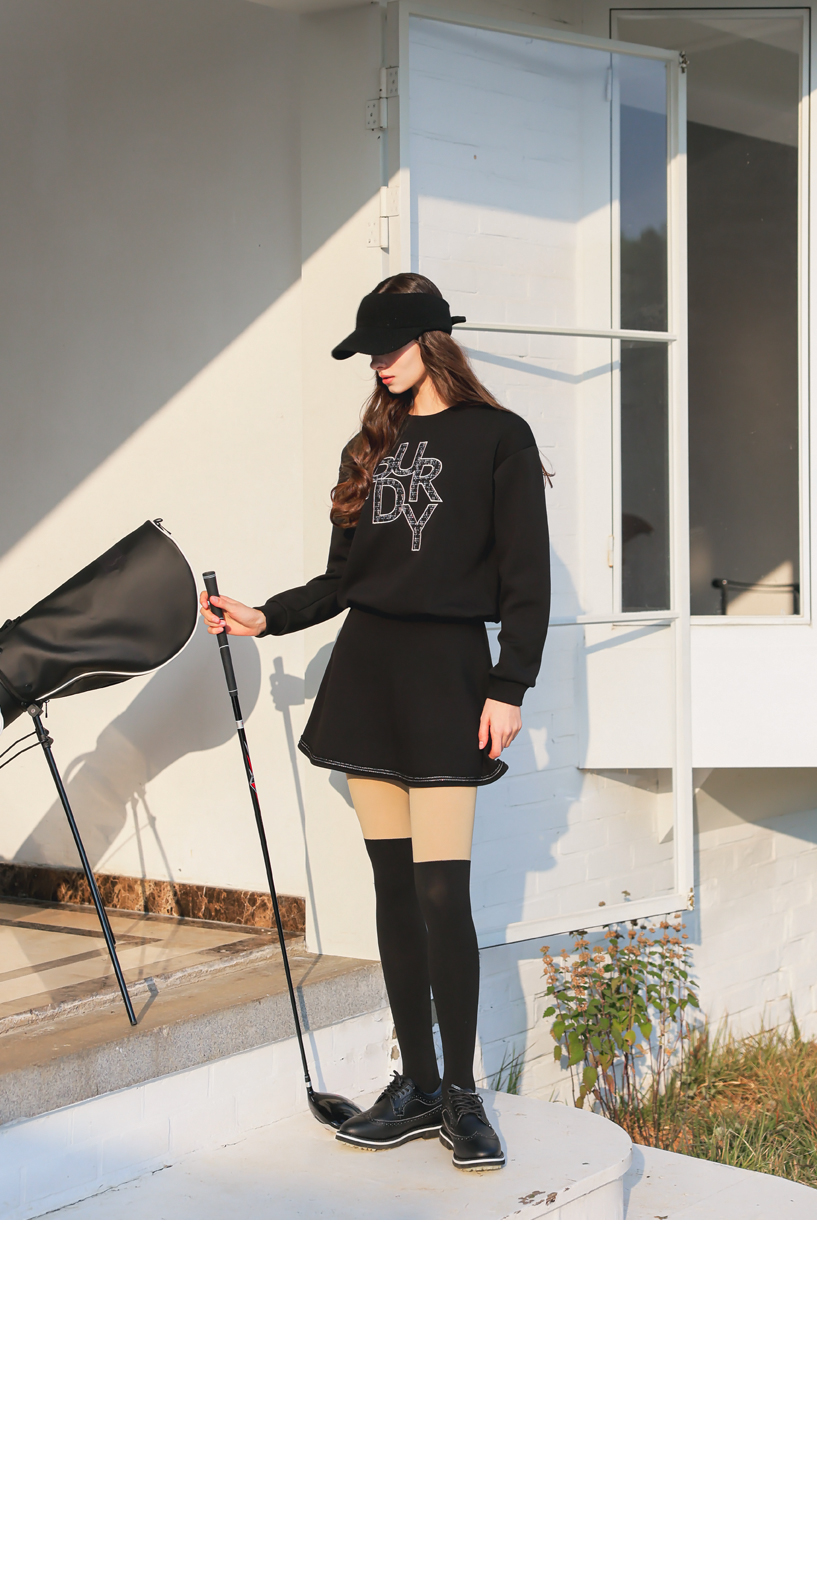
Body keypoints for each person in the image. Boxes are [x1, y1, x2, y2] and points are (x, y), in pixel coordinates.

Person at [201, 274, 550, 1170]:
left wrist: (509, 685)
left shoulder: (500, 437)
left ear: (432, 341)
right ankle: (419, 1086)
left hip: (447, 681)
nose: (378, 365)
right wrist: (266, 617)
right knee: (393, 890)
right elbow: (341, 581)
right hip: (367, 679)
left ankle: (464, 1098)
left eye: (389, 348)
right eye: (369, 353)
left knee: (442, 895)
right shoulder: (371, 445)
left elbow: (527, 578)